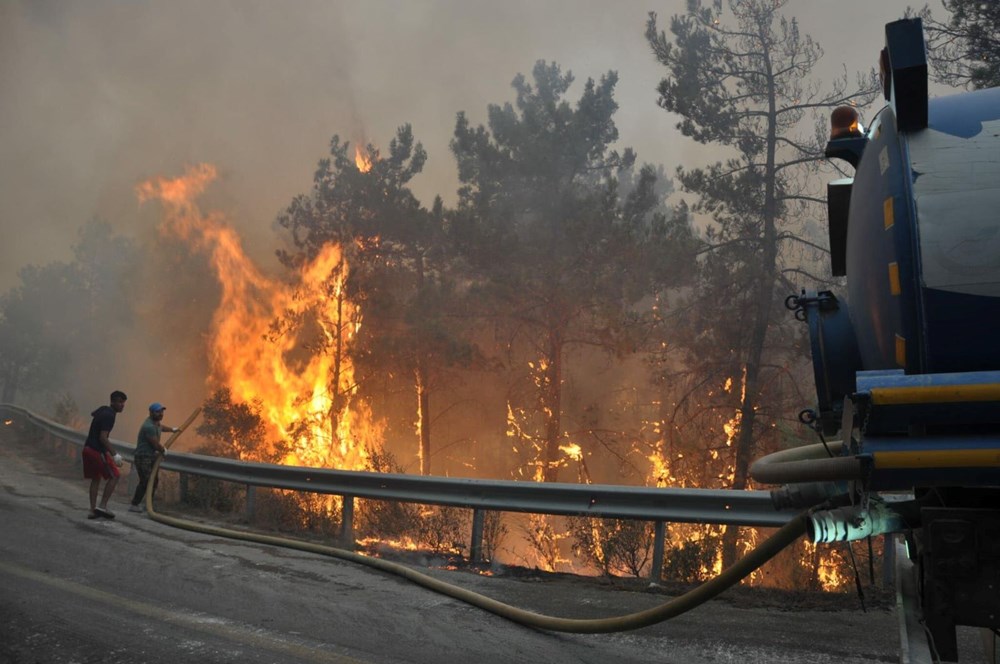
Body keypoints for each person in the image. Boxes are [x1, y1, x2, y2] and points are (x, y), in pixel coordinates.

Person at [83, 390, 127, 519]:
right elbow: (103, 437)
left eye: (123, 403)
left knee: (96, 478)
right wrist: (115, 454)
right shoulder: (110, 415)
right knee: (115, 475)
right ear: (112, 402)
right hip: (96, 450)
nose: (122, 405)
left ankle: (92, 510)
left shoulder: (104, 410)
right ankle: (102, 506)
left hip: (87, 449)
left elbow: (93, 413)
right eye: (120, 402)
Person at [129, 402, 179, 513]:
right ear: (151, 413)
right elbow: (155, 444)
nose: (161, 414)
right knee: (146, 481)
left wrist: (172, 429)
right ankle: (134, 504)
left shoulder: (155, 423)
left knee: (154, 481)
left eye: (162, 411)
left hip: (151, 456)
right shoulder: (149, 426)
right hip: (143, 457)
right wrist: (163, 450)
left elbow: (161, 427)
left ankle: (148, 505)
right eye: (158, 412)